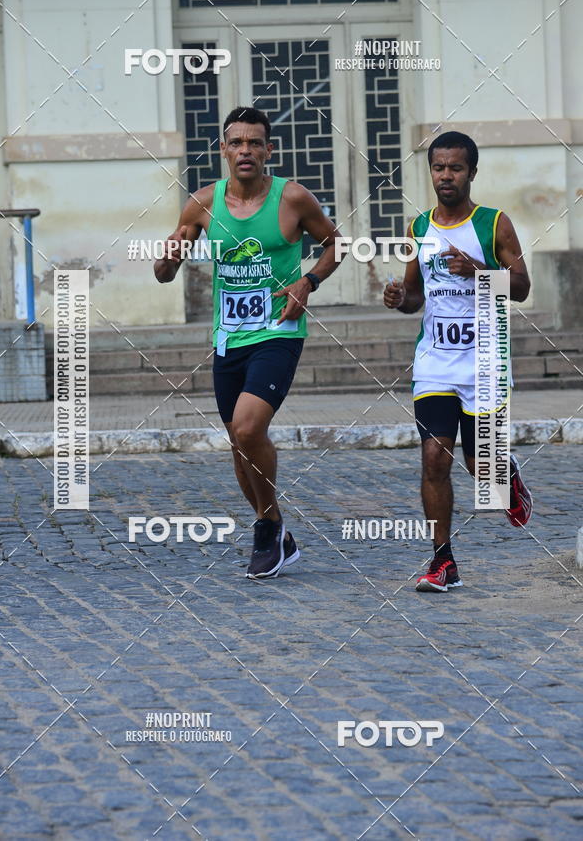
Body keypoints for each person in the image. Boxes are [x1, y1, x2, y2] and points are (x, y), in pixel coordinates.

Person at [155, 106, 343, 579]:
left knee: (246, 428)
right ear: (223, 150)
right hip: (227, 339)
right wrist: (168, 258)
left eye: (254, 143)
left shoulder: (293, 198)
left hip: (278, 332)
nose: (245, 151)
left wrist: (308, 282)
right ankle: (273, 525)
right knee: (240, 446)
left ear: (268, 150)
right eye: (236, 142)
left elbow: (336, 244)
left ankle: (266, 530)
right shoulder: (201, 203)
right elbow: (164, 273)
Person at [384, 131, 533, 592]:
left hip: (483, 361)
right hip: (434, 362)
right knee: (434, 459)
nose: (446, 176)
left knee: (479, 466)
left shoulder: (494, 225)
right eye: (438, 167)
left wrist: (481, 272)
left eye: (455, 168)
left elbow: (523, 288)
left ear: (471, 172)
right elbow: (414, 296)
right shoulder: (418, 228)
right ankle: (442, 560)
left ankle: (505, 475)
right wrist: (399, 297)